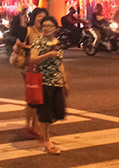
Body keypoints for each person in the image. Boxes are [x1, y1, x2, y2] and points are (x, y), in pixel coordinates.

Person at [29, 15, 68, 154]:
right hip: (44, 82)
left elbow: (60, 63)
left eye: (49, 26)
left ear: (55, 29)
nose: (46, 28)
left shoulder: (57, 42)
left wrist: (65, 81)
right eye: (44, 26)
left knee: (60, 112)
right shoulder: (38, 41)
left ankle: (41, 126)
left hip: (57, 82)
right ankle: (47, 142)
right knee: (45, 113)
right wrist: (48, 55)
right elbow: (33, 60)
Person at [23, 7, 48, 139]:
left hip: (44, 70)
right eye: (39, 16)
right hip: (30, 69)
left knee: (40, 99)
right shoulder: (28, 31)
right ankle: (29, 125)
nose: (41, 18)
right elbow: (18, 45)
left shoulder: (46, 33)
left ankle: (35, 124)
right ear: (34, 18)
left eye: (44, 16)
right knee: (32, 98)